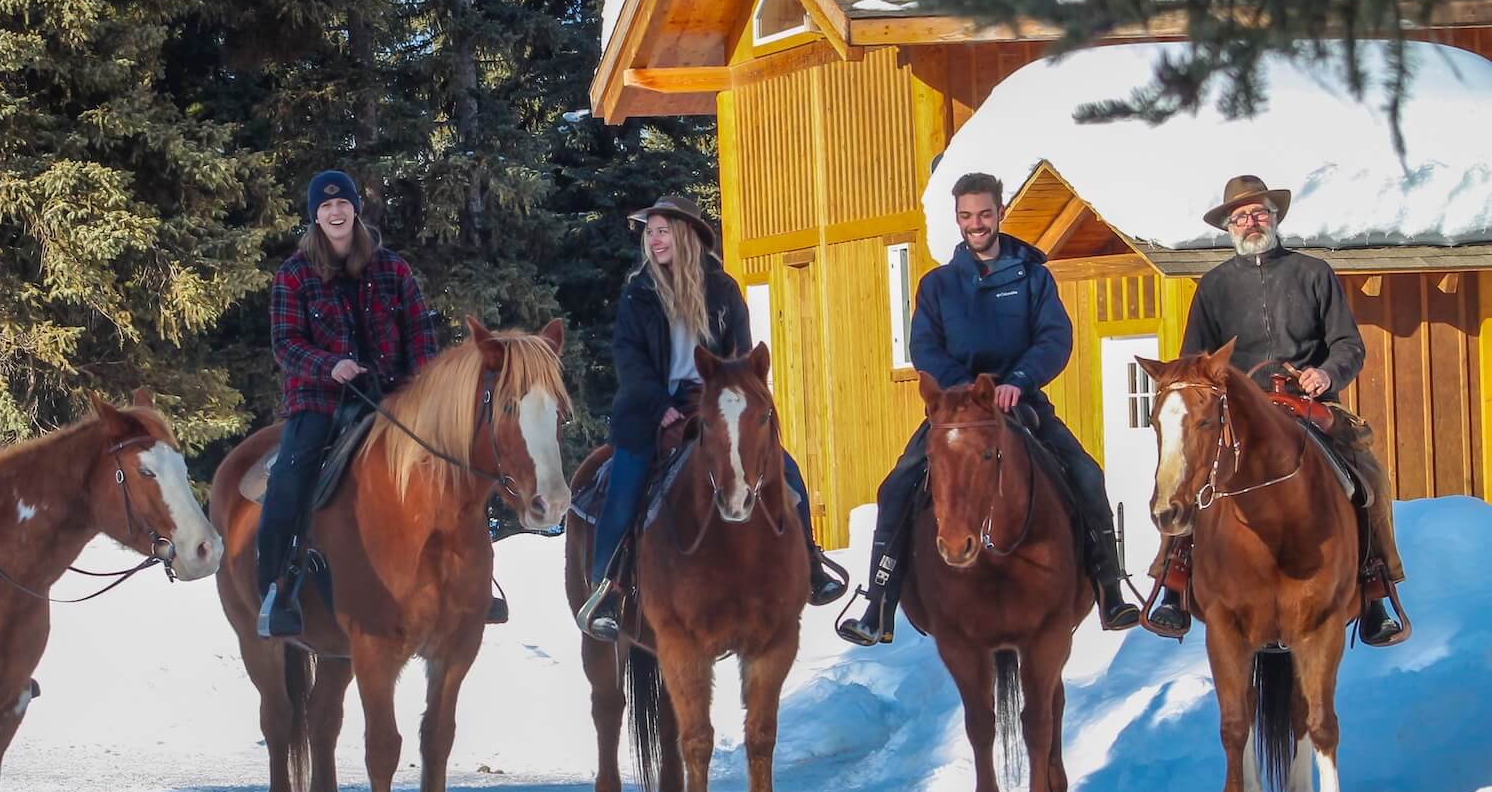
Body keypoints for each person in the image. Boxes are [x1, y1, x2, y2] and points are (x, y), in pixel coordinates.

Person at [838, 173, 1142, 646]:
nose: (975, 224)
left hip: (1020, 402)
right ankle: (879, 601)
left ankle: (1109, 588)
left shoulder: (1033, 276)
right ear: (956, 219)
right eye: (965, 215)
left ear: (1000, 214)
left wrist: (1020, 379)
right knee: (897, 484)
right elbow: (924, 345)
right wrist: (963, 389)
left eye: (983, 214)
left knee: (1085, 472)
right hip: (957, 410)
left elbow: (1054, 338)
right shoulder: (937, 285)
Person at [1144, 175, 1406, 645]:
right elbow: (1194, 360)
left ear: (1275, 217)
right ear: (1228, 226)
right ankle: (1174, 580)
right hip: (1235, 414)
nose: (1251, 222)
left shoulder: (1313, 273)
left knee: (1369, 476)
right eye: (1240, 217)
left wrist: (1326, 374)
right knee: (1188, 469)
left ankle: (1375, 588)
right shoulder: (1214, 286)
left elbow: (1349, 345)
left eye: (1259, 213)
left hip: (1308, 405)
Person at [574, 195, 848, 644]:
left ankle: (812, 565)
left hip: (716, 401)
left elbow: (740, 354)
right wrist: (657, 404)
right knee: (624, 487)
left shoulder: (722, 291)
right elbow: (629, 359)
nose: (655, 239)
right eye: (651, 231)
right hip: (651, 408)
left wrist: (730, 397)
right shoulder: (638, 293)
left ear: (685, 236)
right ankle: (605, 591)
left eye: (663, 230)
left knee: (785, 470)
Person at [257, 170, 500, 638]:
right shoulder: (294, 273)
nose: (335, 213)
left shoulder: (391, 268)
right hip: (321, 401)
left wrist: (424, 394)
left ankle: (477, 580)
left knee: (456, 464)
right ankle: (276, 589)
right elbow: (285, 344)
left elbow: (420, 332)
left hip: (393, 398)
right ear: (315, 215)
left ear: (354, 208)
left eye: (342, 204)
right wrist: (330, 365)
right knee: (288, 479)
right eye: (325, 207)